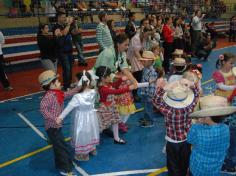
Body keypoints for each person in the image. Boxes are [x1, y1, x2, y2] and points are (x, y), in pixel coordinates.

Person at [153, 78, 200, 176]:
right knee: (184, 162)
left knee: (172, 164)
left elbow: (156, 101)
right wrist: (192, 85)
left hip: (172, 142)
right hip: (186, 140)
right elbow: (196, 96)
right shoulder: (189, 107)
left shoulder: (168, 110)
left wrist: (164, 89)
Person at [39, 70, 79, 176]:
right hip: (53, 128)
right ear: (51, 84)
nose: (60, 83)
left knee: (59, 146)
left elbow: (68, 94)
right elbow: (43, 110)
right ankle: (66, 169)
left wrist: (79, 87)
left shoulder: (57, 93)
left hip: (57, 126)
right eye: (57, 82)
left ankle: (61, 165)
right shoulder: (49, 96)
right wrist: (54, 118)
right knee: (61, 148)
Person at [94, 33, 138, 127]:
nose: (127, 47)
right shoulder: (108, 53)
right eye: (125, 44)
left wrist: (134, 81)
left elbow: (125, 69)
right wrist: (120, 78)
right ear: (118, 44)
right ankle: (100, 125)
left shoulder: (122, 53)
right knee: (100, 104)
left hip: (108, 79)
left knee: (110, 103)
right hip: (99, 80)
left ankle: (111, 123)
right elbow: (103, 72)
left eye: (128, 45)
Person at [56, 70, 99, 161]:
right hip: (91, 116)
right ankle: (92, 149)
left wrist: (60, 118)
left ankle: (83, 154)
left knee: (82, 134)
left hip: (82, 119)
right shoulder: (93, 91)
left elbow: (68, 108)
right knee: (91, 131)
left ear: (80, 82)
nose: (75, 83)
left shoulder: (77, 97)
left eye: (76, 81)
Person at [188, 95, 234, 176]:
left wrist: (198, 123)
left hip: (198, 168)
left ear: (207, 117)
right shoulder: (226, 128)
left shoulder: (197, 128)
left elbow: (190, 140)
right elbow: (226, 146)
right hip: (215, 168)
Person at [95, 66, 137, 144]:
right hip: (105, 109)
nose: (111, 77)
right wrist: (129, 88)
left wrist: (121, 79)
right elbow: (116, 91)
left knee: (115, 121)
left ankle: (116, 138)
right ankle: (95, 139)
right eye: (109, 76)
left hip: (111, 106)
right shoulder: (103, 89)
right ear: (103, 78)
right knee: (102, 125)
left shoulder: (107, 84)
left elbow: (114, 86)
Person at [53, 12, 74, 90]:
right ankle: (66, 86)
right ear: (58, 17)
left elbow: (73, 31)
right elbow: (64, 33)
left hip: (69, 50)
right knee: (66, 69)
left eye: (65, 17)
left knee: (70, 68)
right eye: (63, 17)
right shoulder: (56, 27)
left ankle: (69, 83)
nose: (65, 18)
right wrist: (68, 24)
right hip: (62, 51)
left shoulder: (64, 26)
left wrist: (72, 23)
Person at [139, 51, 158, 127]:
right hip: (144, 92)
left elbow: (152, 85)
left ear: (150, 61)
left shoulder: (152, 72)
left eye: (144, 61)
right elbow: (143, 80)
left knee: (148, 108)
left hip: (148, 94)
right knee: (145, 107)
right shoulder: (145, 69)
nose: (142, 62)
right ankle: (146, 118)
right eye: (142, 61)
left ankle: (150, 121)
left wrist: (151, 96)